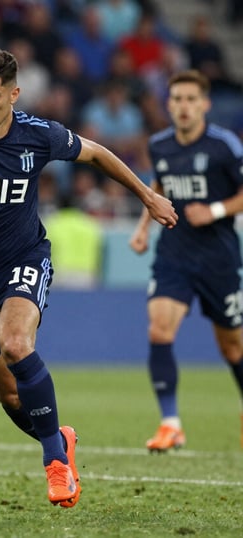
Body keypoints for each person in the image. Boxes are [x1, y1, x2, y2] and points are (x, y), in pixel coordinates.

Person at [0, 48, 177, 508]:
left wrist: (146, 196)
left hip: (23, 258)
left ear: (14, 94)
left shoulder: (37, 135)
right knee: (7, 393)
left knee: (17, 343)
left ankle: (55, 464)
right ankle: (60, 438)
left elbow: (98, 155)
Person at [129, 69, 243, 452]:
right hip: (174, 255)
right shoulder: (160, 145)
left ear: (205, 105)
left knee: (233, 349)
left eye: (191, 99)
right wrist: (143, 227)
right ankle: (171, 424)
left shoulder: (224, 146)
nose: (183, 106)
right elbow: (157, 187)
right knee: (159, 331)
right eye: (176, 99)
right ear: (169, 104)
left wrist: (213, 210)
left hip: (219, 260)